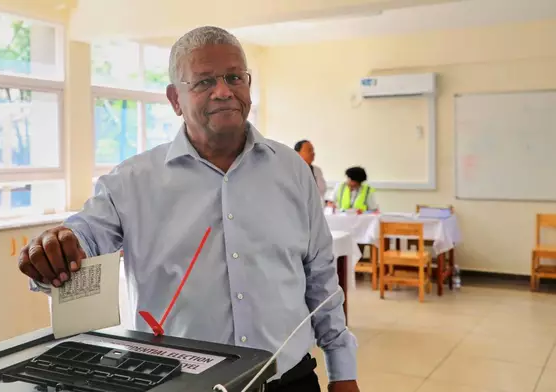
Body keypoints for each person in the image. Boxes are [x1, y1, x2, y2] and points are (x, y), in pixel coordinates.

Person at [18, 26, 359, 392]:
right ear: (175, 99)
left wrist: (344, 371)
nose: (224, 91)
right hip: (176, 383)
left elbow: (321, 279)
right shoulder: (132, 181)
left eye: (234, 77)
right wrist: (57, 247)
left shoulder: (292, 170)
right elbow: (85, 234)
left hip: (288, 380)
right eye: (203, 82)